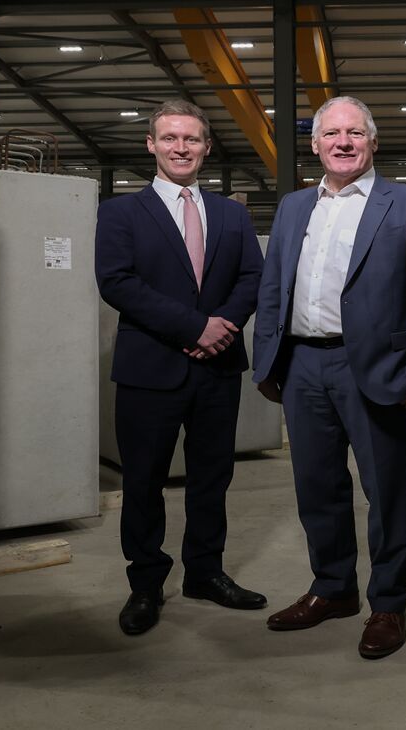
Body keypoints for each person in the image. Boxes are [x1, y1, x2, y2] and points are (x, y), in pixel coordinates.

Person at [252, 96, 406, 660]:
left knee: (386, 492)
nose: (343, 142)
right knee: (317, 488)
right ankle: (332, 588)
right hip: (302, 365)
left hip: (377, 369)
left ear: (373, 142)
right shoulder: (294, 206)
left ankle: (387, 602)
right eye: (331, 134)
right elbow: (274, 286)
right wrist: (266, 359)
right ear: (315, 145)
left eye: (355, 133)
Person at [94, 99, 266, 636]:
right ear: (151, 145)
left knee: (212, 478)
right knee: (143, 481)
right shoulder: (121, 212)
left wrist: (222, 327)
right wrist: (195, 328)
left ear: (206, 147)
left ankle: (205, 573)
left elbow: (252, 278)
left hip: (217, 368)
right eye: (169, 138)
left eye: (191, 139)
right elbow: (117, 282)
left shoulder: (233, 213)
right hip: (151, 368)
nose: (181, 148)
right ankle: (145, 583)